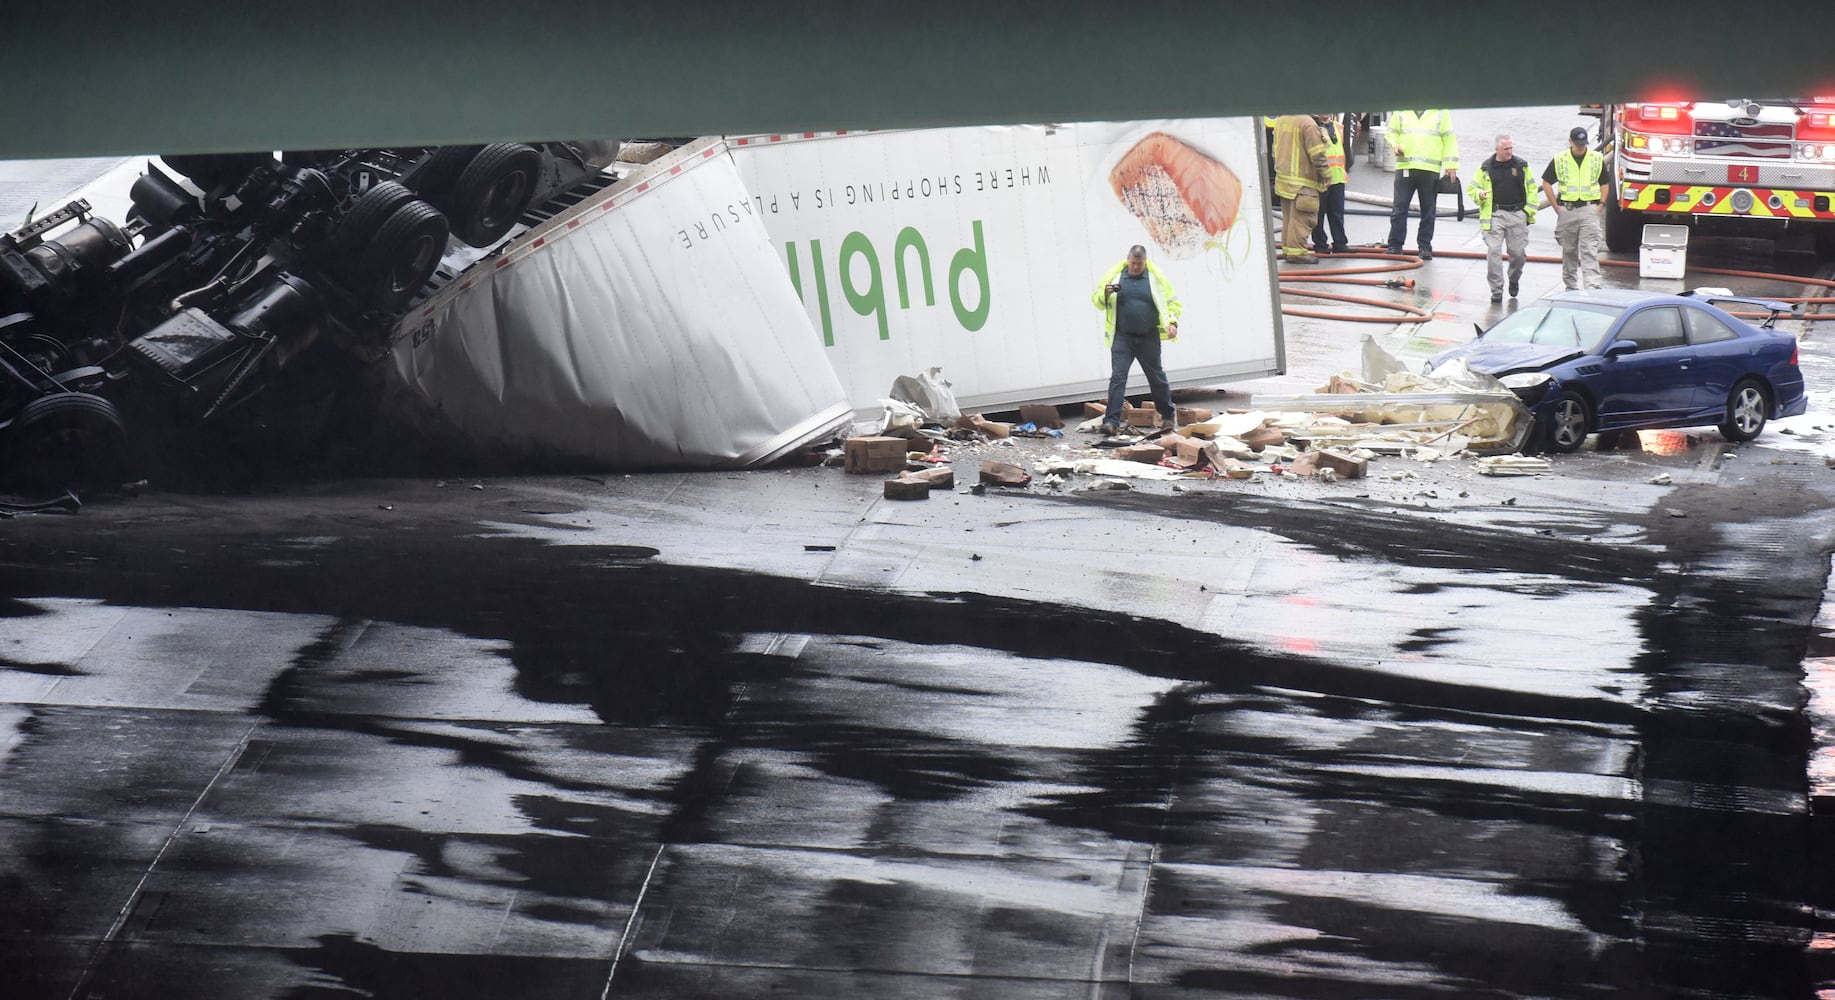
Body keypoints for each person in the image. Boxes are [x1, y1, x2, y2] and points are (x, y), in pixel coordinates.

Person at [1092, 245, 1182, 434]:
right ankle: (1111, 422)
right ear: (1128, 259)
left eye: (1139, 264)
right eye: (1133, 263)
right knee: (1118, 377)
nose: (1135, 267)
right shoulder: (1115, 276)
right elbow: (1097, 301)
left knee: (1156, 377)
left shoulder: (1156, 278)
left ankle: (1167, 417)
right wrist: (1105, 295)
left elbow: (1172, 302)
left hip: (1148, 336)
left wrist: (1173, 322)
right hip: (1122, 337)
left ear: (1145, 262)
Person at [1467, 133, 1537, 302]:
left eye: (1511, 148)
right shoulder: (1486, 168)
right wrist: (1480, 194)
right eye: (1506, 149)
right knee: (1494, 252)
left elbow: (1532, 190)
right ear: (1497, 149)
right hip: (1495, 214)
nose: (1509, 152)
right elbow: (1471, 188)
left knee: (1518, 254)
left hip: (1517, 214)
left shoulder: (1521, 166)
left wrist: (1526, 212)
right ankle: (1496, 290)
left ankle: (1514, 279)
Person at [1384, 109, 1458, 259]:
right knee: (1399, 208)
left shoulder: (1440, 112)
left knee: (1428, 211)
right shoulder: (1401, 109)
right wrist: (1395, 145)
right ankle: (1395, 245)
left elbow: (1449, 138)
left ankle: (1425, 246)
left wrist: (1451, 166)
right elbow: (1391, 133)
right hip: (1406, 167)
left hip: (1429, 170)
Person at [1541, 125, 1606, 290]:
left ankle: (1592, 287)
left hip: (1589, 210)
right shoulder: (1560, 159)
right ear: (1570, 142)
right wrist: (1556, 207)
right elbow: (1546, 182)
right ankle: (1570, 286)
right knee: (1569, 250)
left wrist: (1601, 205)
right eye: (1577, 144)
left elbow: (1605, 183)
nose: (1581, 147)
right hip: (1567, 210)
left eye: (1583, 144)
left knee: (1589, 250)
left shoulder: (1596, 158)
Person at [1271, 113, 1331, 264]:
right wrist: (1326, 174)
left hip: (1284, 181)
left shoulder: (1282, 120)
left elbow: (1274, 151)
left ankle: (1289, 250)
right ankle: (1297, 253)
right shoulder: (1307, 124)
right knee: (1302, 220)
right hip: (1303, 182)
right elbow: (1317, 154)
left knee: (1289, 219)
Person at [1310, 113, 1350, 255]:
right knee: (1318, 214)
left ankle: (1340, 243)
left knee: (1337, 213)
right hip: (1321, 179)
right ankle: (1320, 245)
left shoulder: (1337, 127)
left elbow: (1342, 150)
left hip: (1338, 177)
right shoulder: (1313, 128)